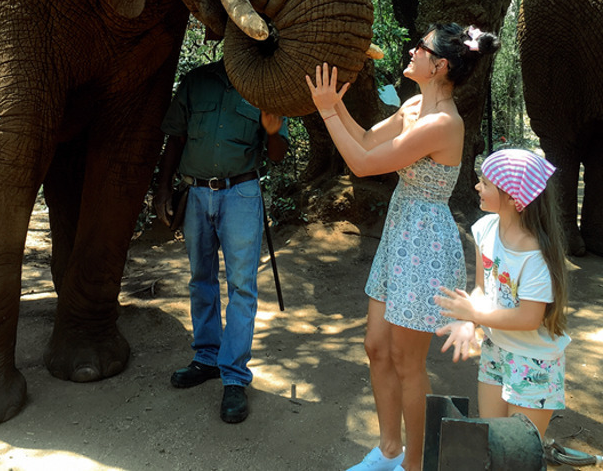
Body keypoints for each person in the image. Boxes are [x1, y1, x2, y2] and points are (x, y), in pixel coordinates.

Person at [305, 23, 499, 471]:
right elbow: (369, 140)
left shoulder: (443, 123)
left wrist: (327, 113)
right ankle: (388, 449)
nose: (413, 50)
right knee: (376, 346)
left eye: (422, 47)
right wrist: (334, 106)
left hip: (425, 241)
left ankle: (415, 463)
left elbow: (363, 164)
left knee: (406, 360)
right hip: (400, 231)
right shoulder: (414, 105)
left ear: (440, 65)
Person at [154, 57, 288, 424]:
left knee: (242, 286)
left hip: (242, 193)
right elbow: (175, 139)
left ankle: (233, 377)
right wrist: (163, 189)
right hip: (196, 194)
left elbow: (277, 154)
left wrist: (273, 131)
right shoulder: (196, 81)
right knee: (201, 280)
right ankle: (207, 358)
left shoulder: (267, 84)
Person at [435, 148, 570, 438]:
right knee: (492, 443)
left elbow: (528, 318)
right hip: (496, 350)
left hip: (534, 361)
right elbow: (483, 289)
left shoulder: (536, 255)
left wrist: (474, 314)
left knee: (519, 454)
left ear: (512, 197)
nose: (476, 186)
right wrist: (470, 321)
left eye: (485, 182)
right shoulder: (484, 229)